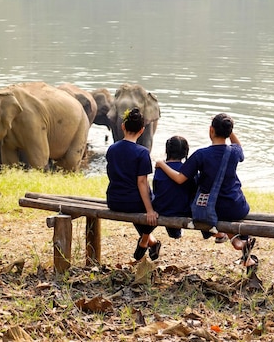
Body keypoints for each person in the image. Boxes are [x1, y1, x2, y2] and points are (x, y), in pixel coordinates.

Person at [155, 113, 256, 267]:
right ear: (228, 132)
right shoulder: (234, 152)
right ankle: (244, 251)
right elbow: (239, 147)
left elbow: (180, 179)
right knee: (233, 215)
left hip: (211, 210)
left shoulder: (201, 155)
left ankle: (235, 242)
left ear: (211, 131)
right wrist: (230, 132)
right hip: (237, 206)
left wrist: (161, 164)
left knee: (213, 207)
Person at [106, 108, 160, 262]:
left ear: (123, 126)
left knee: (138, 204)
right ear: (142, 130)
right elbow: (142, 182)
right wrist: (150, 210)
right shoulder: (142, 152)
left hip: (114, 200)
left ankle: (152, 242)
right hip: (132, 203)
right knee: (160, 207)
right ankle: (144, 241)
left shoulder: (112, 149)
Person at [152, 136, 196, 240]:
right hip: (183, 211)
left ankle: (174, 233)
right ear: (185, 152)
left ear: (167, 150)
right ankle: (175, 233)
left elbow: (156, 189)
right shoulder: (188, 169)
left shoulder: (159, 169)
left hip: (162, 209)